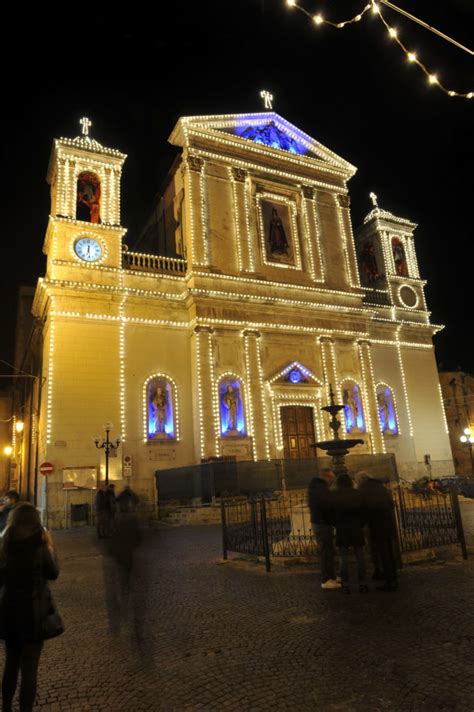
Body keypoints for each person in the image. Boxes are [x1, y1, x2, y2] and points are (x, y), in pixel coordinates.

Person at [0, 503, 60, 712]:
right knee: (30, 667)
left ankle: (6, 706)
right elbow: (53, 573)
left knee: (11, 663)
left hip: (9, 610)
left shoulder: (4, 542)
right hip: (34, 612)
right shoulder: (40, 544)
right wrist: (51, 546)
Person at [357, 474, 398, 591]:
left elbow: (364, 509)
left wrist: (361, 523)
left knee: (383, 553)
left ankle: (390, 581)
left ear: (360, 481)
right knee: (389, 552)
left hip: (377, 525)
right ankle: (392, 577)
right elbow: (391, 504)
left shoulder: (364, 490)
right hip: (389, 523)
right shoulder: (381, 487)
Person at [332, 474, 368, 594]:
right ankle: (362, 584)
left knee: (343, 559)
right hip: (356, 528)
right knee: (360, 557)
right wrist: (361, 524)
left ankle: (345, 585)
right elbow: (364, 511)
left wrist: (336, 524)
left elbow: (331, 514)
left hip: (342, 530)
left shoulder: (335, 495)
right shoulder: (358, 494)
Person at [308, 468, 340, 590]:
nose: (332, 481)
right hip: (322, 523)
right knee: (326, 552)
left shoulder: (317, 487)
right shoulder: (320, 489)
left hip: (322, 522)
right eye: (331, 478)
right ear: (326, 477)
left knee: (329, 551)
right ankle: (326, 579)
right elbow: (326, 505)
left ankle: (332, 576)